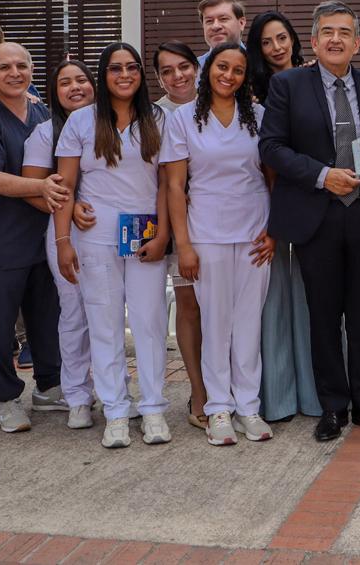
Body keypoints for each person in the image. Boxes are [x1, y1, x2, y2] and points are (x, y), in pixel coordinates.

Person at [259, 1, 360, 442]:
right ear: (315, 40)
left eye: (344, 32)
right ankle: (333, 407)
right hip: (315, 216)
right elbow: (272, 148)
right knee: (322, 315)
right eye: (327, 32)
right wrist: (323, 175)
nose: (335, 39)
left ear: (357, 42)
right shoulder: (287, 85)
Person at [55, 43, 172, 449]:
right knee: (104, 326)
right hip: (95, 236)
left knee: (150, 323)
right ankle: (116, 411)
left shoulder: (159, 118)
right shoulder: (81, 121)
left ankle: (153, 408)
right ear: (103, 75)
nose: (124, 75)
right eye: (115, 68)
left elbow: (168, 184)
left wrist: (163, 235)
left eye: (132, 67)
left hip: (146, 234)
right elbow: (65, 186)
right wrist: (63, 239)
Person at [163, 41, 276, 445]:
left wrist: (274, 230)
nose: (229, 75)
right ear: (207, 70)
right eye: (222, 67)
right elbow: (175, 186)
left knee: (248, 322)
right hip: (206, 233)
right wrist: (184, 245)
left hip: (254, 233)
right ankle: (218, 409)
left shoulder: (258, 117)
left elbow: (273, 177)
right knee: (215, 323)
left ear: (246, 77)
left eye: (238, 70)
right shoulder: (182, 119)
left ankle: (248, 407)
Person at [0, 43, 67, 434]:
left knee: (46, 318)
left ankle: (49, 388)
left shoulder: (42, 114)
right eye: (4, 67)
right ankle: (6, 397)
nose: (15, 73)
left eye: (22, 66)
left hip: (40, 235)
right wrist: (44, 187)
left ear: (32, 70)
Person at [246, 11, 321, 422]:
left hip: (315, 200)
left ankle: (316, 392)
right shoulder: (251, 94)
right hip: (268, 205)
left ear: (294, 38)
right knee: (272, 301)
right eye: (266, 42)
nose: (276, 47)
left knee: (313, 299)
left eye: (281, 38)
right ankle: (277, 397)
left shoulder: (316, 79)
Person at [21, 60, 101, 431]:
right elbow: (33, 188)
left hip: (109, 232)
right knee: (74, 314)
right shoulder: (45, 132)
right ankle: (76, 394)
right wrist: (69, 211)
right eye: (65, 82)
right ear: (54, 93)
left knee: (109, 314)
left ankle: (113, 388)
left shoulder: (112, 124)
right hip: (63, 233)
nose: (75, 87)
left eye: (81, 79)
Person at [153, 41, 207, 431]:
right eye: (167, 71)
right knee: (190, 307)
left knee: (224, 310)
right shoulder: (154, 116)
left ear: (197, 68)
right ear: (158, 78)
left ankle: (230, 386)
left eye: (184, 67)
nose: (178, 76)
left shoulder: (220, 104)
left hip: (222, 222)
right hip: (178, 227)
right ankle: (198, 390)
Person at [197, 0, 246, 69]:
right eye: (209, 21)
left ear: (241, 23)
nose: (215, 26)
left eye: (223, 19)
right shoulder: (195, 69)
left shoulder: (260, 63)